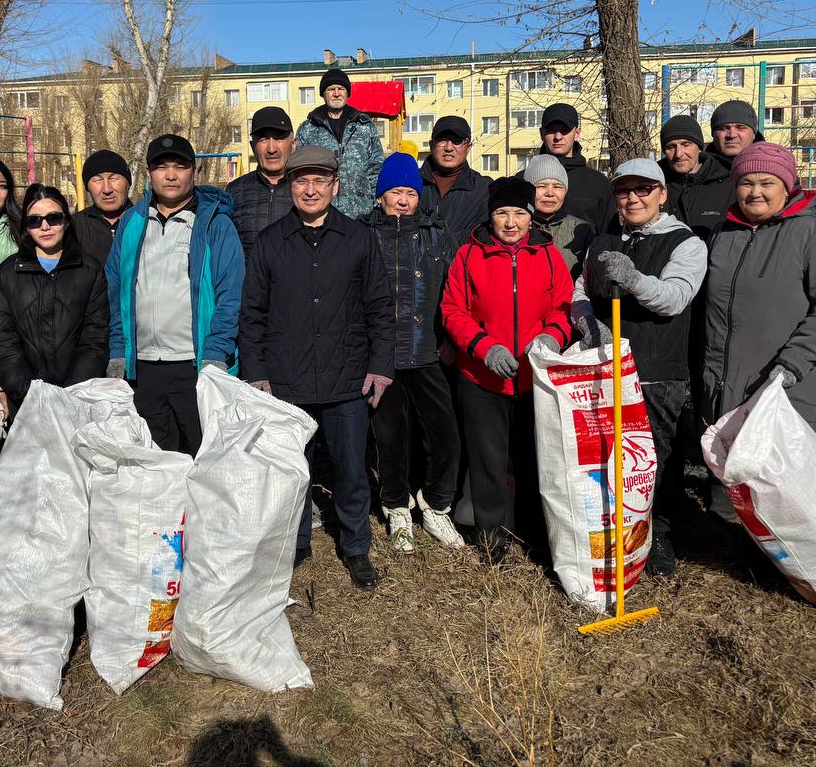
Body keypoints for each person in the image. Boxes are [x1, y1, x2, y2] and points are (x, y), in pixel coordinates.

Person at [240, 146, 394, 589]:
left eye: (320, 181)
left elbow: (380, 308)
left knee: (350, 471)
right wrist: (256, 373)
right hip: (286, 382)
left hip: (347, 379)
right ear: (291, 187)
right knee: (292, 475)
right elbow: (252, 313)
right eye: (302, 181)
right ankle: (295, 542)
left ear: (335, 187)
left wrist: (380, 367)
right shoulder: (271, 242)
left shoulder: (358, 238)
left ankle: (356, 548)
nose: (311, 189)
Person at [570, 159, 708, 576]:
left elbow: (675, 298)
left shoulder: (685, 242)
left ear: (662, 194)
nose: (632, 198)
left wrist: (634, 281)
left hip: (655, 369)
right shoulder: (603, 238)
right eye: (624, 191)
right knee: (609, 459)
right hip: (606, 365)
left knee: (654, 459)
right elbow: (581, 290)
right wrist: (587, 322)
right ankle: (615, 530)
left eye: (643, 190)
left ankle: (658, 532)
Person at [440, 176, 573, 561]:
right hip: (482, 377)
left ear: (531, 217)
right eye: (502, 213)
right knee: (488, 460)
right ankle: (491, 537)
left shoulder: (548, 255)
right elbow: (453, 310)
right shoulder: (469, 255)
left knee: (534, 458)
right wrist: (483, 346)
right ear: (490, 216)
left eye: (518, 213)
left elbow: (564, 307)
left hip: (534, 378)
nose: (511, 222)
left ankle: (534, 532)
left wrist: (551, 336)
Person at [701, 142, 816, 442]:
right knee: (726, 481)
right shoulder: (722, 235)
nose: (755, 191)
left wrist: (793, 364)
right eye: (746, 182)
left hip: (782, 387)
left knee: (772, 484)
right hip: (720, 389)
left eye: (767, 183)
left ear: (787, 187)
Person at [106, 134, 243, 456]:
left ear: (193, 172)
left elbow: (230, 294)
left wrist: (216, 354)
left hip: (194, 366)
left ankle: (201, 510)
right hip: (144, 368)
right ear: (149, 173)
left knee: (204, 458)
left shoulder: (215, 224)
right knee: (156, 462)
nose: (170, 175)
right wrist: (117, 352)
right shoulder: (132, 222)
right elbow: (115, 294)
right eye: (161, 167)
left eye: (180, 167)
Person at [362, 153, 466, 553]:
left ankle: (436, 504)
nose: (403, 200)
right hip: (382, 356)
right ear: (380, 196)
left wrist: (450, 339)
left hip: (428, 352)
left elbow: (456, 290)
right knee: (390, 438)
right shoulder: (364, 234)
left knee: (445, 434)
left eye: (410, 192)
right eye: (394, 192)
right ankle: (396, 506)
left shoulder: (437, 234)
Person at [0, 184, 109, 414]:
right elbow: (3, 341)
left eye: (53, 218)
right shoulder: (7, 273)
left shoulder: (89, 269)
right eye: (34, 220)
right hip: (26, 403)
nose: (45, 226)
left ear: (66, 220)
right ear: (26, 226)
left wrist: (69, 395)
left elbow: (95, 338)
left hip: (78, 401)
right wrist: (30, 394)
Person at [296, 68, 384, 218]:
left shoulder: (365, 126)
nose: (336, 93)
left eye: (341, 89)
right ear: (323, 94)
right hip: (322, 214)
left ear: (347, 93)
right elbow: (300, 171)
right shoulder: (308, 129)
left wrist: (377, 202)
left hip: (362, 213)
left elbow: (376, 167)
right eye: (331, 89)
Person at [525, 103, 613, 233]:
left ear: (576, 133)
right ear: (542, 134)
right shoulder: (523, 180)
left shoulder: (598, 183)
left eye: (565, 130)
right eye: (551, 130)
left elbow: (608, 235)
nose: (558, 137)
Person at [228, 106, 296, 254]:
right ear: (253, 146)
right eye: (263, 139)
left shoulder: (307, 190)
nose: (272, 148)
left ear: (293, 144)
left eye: (278, 138)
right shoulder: (233, 192)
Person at [659, 115, 733, 242]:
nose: (679, 154)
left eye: (686, 144)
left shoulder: (729, 184)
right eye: (671, 147)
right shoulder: (653, 185)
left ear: (699, 147)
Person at [417, 115, 491, 244]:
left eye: (457, 141)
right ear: (431, 145)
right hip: (416, 263)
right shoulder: (411, 184)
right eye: (442, 140)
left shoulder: (483, 189)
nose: (449, 148)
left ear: (468, 147)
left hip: (463, 262)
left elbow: (483, 236)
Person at [524, 154, 593, 280]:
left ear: (565, 191)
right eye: (541, 186)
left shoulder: (581, 230)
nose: (550, 193)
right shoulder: (516, 228)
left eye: (557, 187)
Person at [73, 148, 134, 266]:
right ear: (87, 187)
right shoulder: (74, 227)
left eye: (113, 178)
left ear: (128, 183)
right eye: (97, 180)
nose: (107, 189)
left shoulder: (146, 222)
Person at [705, 100, 763, 177]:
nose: (732, 135)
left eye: (740, 127)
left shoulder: (773, 172)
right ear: (713, 134)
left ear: (753, 133)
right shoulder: (698, 173)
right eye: (724, 128)